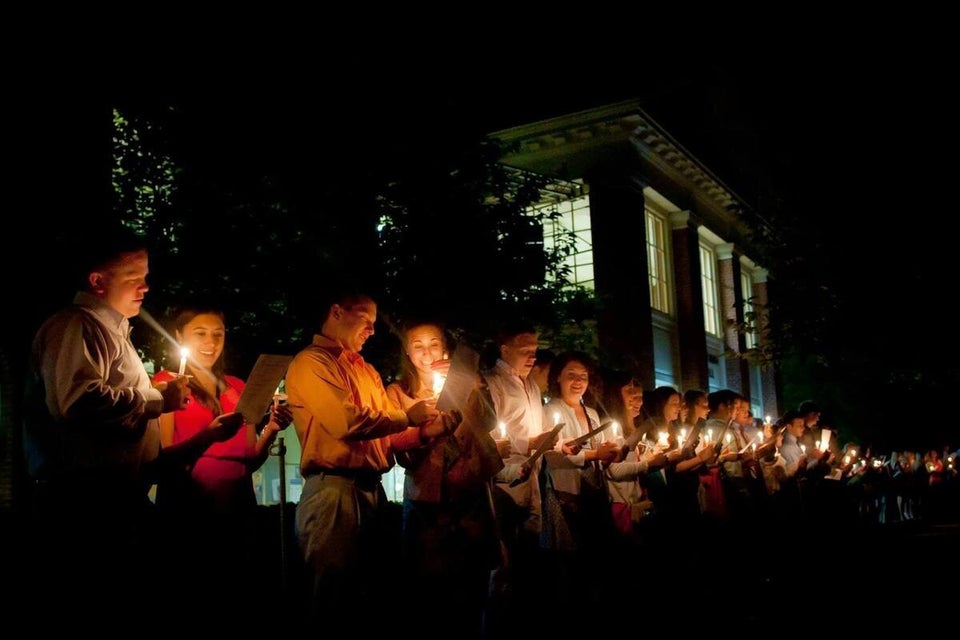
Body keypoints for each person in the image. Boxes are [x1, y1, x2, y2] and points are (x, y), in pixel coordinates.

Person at [22, 225, 243, 617]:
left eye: (146, 278)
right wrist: (159, 399)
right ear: (98, 281)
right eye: (134, 278)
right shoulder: (77, 326)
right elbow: (77, 401)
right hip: (86, 503)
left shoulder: (113, 333)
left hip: (117, 497)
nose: (145, 288)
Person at [284, 289, 445, 627]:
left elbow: (385, 436)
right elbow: (345, 421)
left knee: (368, 594)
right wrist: (408, 417)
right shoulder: (311, 362)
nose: (372, 330)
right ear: (336, 312)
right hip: (334, 491)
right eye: (365, 319)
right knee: (331, 594)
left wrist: (426, 432)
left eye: (374, 322)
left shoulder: (366, 371)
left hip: (372, 492)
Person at [151, 305, 294, 602]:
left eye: (218, 334)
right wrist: (208, 436)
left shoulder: (237, 388)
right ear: (179, 336)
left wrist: (271, 429)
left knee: (236, 590)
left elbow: (250, 458)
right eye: (200, 334)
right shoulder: (167, 385)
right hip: (189, 506)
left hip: (238, 506)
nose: (211, 342)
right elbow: (164, 457)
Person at [385, 319, 497, 635]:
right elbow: (397, 447)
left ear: (445, 347)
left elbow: (490, 420)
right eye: (418, 346)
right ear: (407, 353)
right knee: (429, 590)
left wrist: (475, 383)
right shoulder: (398, 394)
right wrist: (425, 431)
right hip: (427, 501)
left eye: (434, 343)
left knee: (473, 587)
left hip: (470, 498)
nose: (427, 351)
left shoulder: (463, 383)